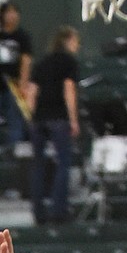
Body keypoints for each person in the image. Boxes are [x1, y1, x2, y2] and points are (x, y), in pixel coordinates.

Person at [27, 27, 81, 224]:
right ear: (67, 41)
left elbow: (31, 92)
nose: (77, 46)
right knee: (63, 164)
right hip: (59, 117)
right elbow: (69, 90)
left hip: (39, 118)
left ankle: (38, 212)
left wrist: (32, 117)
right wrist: (73, 119)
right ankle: (59, 210)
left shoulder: (41, 63)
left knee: (38, 165)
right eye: (76, 41)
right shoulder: (69, 62)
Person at [0, 1, 32, 145]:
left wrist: (23, 84)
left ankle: (13, 150)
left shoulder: (22, 37)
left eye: (14, 12)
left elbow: (26, 61)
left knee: (15, 120)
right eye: (8, 12)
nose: (12, 16)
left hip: (15, 85)